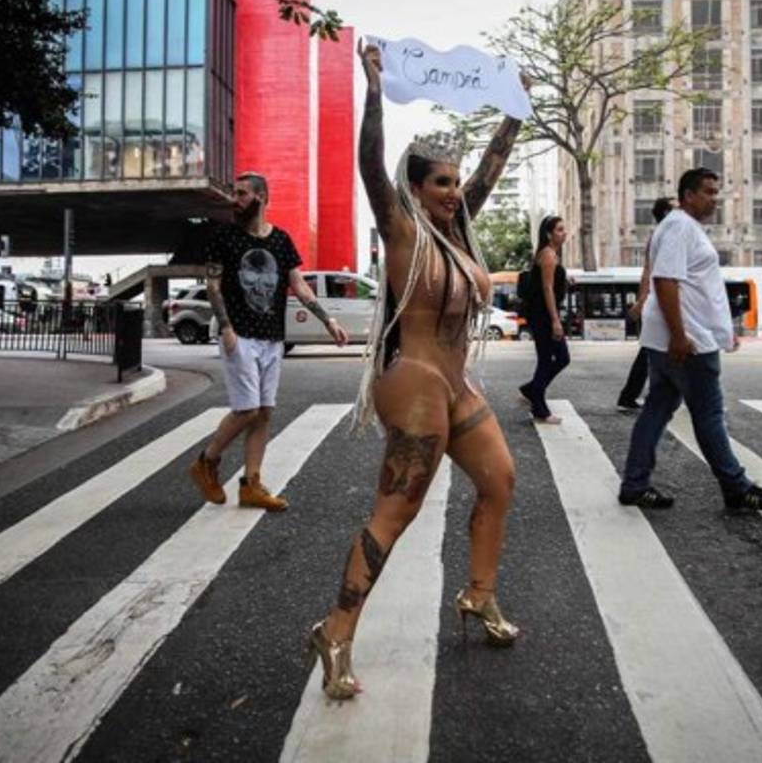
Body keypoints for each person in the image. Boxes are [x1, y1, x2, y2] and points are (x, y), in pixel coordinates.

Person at [303, 40, 527, 701]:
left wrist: (514, 111)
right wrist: (373, 92)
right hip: (414, 385)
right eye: (442, 182)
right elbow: (371, 163)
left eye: (457, 183)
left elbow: (489, 167)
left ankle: (478, 596)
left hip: (455, 385)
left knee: (501, 481)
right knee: (393, 515)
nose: (456, 193)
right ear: (416, 187)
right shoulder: (402, 228)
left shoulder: (458, 232)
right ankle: (335, 631)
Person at [617, 169, 762, 512]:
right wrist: (680, 336)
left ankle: (634, 484)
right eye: (708, 191)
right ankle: (737, 488)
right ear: (688, 195)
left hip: (676, 338)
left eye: (716, 191)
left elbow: (694, 286)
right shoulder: (679, 226)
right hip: (687, 341)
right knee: (708, 414)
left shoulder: (681, 227)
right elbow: (665, 281)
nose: (714, 198)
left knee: (657, 409)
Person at [188, 171, 350, 512]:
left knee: (264, 413)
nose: (236, 199)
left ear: (261, 197)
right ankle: (207, 461)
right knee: (246, 409)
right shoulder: (224, 238)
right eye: (235, 193)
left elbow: (299, 285)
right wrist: (226, 326)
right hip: (240, 334)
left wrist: (328, 319)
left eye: (242, 193)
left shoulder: (281, 241)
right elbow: (213, 286)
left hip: (272, 337)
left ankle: (252, 484)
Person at [616, 197, 675, 412]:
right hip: (661, 303)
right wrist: (642, 301)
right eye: (676, 208)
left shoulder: (672, 235)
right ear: (667, 214)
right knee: (653, 352)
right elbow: (648, 272)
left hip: (666, 302)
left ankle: (631, 395)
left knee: (653, 352)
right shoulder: (661, 237)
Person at [518, 215, 570, 424]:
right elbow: (547, 289)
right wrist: (555, 321)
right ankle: (538, 406)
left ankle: (532, 389)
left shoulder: (550, 255)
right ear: (548, 234)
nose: (564, 232)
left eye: (563, 229)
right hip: (543, 316)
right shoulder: (548, 255)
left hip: (543, 314)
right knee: (550, 359)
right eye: (559, 229)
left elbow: (550, 285)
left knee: (557, 358)